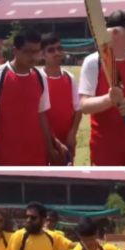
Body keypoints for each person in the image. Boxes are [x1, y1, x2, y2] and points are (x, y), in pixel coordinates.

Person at [79, 10, 125, 166]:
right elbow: (84, 105)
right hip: (104, 142)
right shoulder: (93, 62)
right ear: (114, 33)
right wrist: (109, 99)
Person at [0, 29, 59, 166]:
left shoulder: (41, 77)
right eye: (28, 52)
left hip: (37, 157)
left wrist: (51, 150)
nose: (34, 57)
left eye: (37, 51)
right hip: (6, 158)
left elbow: (42, 117)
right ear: (15, 50)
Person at [39, 34, 81, 164]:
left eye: (59, 48)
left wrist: (72, 133)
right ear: (42, 54)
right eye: (51, 50)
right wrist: (53, 143)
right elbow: (39, 115)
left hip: (66, 142)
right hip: (44, 142)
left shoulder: (69, 77)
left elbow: (78, 109)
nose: (57, 53)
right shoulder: (37, 78)